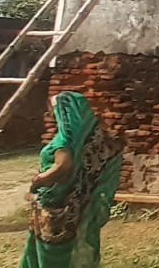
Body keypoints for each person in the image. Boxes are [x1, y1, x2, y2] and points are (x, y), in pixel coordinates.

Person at [21, 91, 123, 268]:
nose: (52, 115)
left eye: (55, 110)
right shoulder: (97, 138)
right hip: (80, 204)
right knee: (71, 248)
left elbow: (63, 166)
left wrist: (38, 181)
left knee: (51, 254)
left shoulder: (65, 139)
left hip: (55, 205)